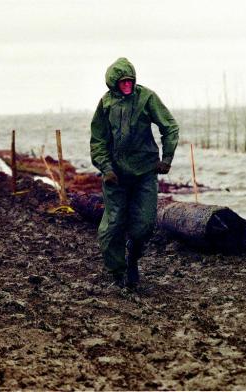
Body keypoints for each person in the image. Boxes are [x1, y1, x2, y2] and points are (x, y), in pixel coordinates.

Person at [90, 57, 179, 288]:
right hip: (115, 176)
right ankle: (118, 272)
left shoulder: (146, 97)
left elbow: (169, 126)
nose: (127, 85)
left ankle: (133, 259)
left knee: (145, 225)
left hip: (144, 173)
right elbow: (97, 140)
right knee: (112, 225)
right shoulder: (106, 103)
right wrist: (106, 168)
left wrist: (166, 158)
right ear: (113, 84)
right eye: (123, 82)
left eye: (130, 81)